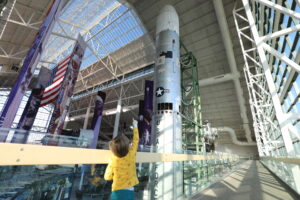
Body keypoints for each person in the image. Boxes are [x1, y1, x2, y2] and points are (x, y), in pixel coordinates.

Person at [104, 119, 139, 200]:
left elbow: (107, 177)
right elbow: (136, 141)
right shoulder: (131, 155)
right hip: (129, 191)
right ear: (128, 147)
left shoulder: (113, 160)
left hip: (116, 192)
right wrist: (135, 125)